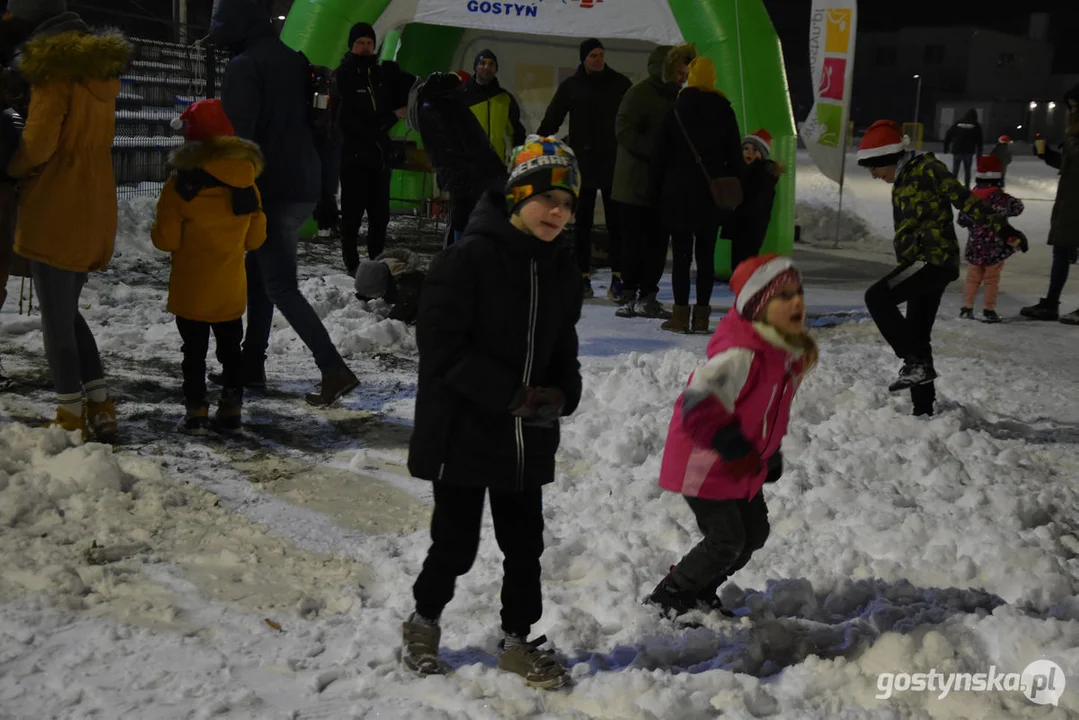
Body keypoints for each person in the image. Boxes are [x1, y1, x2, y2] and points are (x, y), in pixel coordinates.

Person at [402, 136, 583, 690]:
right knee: (456, 544)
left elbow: (561, 344)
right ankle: (423, 621)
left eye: (570, 204)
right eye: (549, 199)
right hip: (464, 432)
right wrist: (510, 394)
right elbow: (442, 348)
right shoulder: (468, 259)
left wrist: (563, 391)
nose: (560, 212)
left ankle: (516, 639)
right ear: (517, 196)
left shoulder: (559, 268)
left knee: (524, 544)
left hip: (525, 437)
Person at [647, 255, 817, 617]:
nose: (797, 301)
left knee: (754, 534)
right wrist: (732, 445)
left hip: (741, 462)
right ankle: (671, 595)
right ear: (758, 305)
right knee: (726, 540)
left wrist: (769, 452)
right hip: (706, 462)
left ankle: (700, 590)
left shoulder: (779, 352)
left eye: (798, 291)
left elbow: (767, 413)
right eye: (783, 295)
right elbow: (699, 404)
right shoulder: (741, 353)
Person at [210, 0, 358, 406]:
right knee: (258, 278)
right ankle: (250, 366)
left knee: (279, 285)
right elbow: (325, 131)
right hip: (303, 184)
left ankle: (333, 368)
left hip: (269, 189)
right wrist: (327, 191)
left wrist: (234, 190)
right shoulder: (298, 61)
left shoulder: (244, 67)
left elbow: (240, 140)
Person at [3, 1, 131, 439]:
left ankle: (69, 414)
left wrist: (12, 166)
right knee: (68, 312)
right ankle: (100, 405)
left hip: (57, 200)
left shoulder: (53, 70)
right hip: (94, 199)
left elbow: (38, 143)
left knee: (55, 320)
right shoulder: (99, 71)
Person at [856, 120, 1026, 417]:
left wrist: (1004, 230)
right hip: (922, 263)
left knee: (877, 297)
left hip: (931, 260)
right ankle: (923, 410)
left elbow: (965, 200)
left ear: (887, 157)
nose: (873, 175)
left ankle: (914, 362)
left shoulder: (926, 169)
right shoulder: (904, 177)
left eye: (874, 167)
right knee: (918, 334)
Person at [151, 99, 267, 435]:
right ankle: (232, 407)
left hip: (192, 288)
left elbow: (166, 240)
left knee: (194, 352)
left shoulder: (181, 187)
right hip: (230, 288)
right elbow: (256, 239)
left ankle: (196, 410)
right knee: (231, 351)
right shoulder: (247, 183)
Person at [653, 56, 742, 334]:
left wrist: (659, 191)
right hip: (710, 196)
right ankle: (702, 318)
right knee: (706, 257)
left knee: (681, 256)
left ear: (691, 77)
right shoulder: (725, 110)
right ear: (713, 78)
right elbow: (736, 159)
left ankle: (679, 318)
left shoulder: (676, 109)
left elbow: (659, 156)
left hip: (678, 195)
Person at [537, 38, 632, 299]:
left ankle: (618, 278)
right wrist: (537, 142)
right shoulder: (572, 86)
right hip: (584, 163)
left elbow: (635, 117)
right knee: (582, 224)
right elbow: (553, 117)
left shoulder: (620, 84)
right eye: (593, 55)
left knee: (617, 224)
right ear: (583, 59)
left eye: (601, 54)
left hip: (614, 164)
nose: (598, 59)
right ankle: (582, 277)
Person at [611, 43, 697, 318]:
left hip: (662, 185)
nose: (683, 75)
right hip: (634, 184)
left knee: (658, 243)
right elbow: (623, 129)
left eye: (686, 71)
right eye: (680, 70)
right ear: (666, 68)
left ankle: (648, 294)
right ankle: (628, 294)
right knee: (634, 242)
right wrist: (653, 149)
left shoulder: (679, 98)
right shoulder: (639, 94)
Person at [334, 22, 415, 274]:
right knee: (352, 213)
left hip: (378, 156)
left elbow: (400, 92)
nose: (365, 48)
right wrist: (388, 120)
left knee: (380, 214)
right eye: (360, 43)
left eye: (369, 43)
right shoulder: (343, 75)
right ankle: (351, 262)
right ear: (351, 45)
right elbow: (348, 120)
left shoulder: (379, 75)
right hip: (353, 155)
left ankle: (376, 260)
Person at [409, 71, 506, 247]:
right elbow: (459, 144)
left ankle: (459, 254)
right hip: (471, 173)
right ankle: (458, 255)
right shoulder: (444, 108)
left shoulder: (438, 106)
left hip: (467, 174)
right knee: (465, 219)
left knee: (464, 218)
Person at [1021, 85, 1079, 324]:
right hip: (1070, 201)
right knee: (1061, 251)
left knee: (1064, 250)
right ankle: (1051, 303)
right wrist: (1048, 156)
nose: (1072, 111)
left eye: (1076, 106)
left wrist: (1071, 139)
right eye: (1071, 106)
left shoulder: (1075, 134)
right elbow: (1070, 166)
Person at [958, 155, 1024, 324]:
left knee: (972, 277)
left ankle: (967, 306)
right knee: (991, 280)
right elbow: (1018, 208)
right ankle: (988, 309)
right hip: (995, 247)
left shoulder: (971, 198)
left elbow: (961, 219)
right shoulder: (1001, 198)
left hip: (975, 246)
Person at [725, 128, 784, 274]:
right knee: (738, 263)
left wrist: (738, 210)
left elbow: (758, 203)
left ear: (762, 154)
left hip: (751, 227)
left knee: (746, 262)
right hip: (741, 225)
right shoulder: (742, 171)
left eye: (755, 150)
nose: (749, 153)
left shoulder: (763, 176)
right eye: (746, 148)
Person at [457, 48, 526, 163]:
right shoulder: (461, 95)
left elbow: (517, 132)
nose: (486, 67)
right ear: (475, 67)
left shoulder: (505, 98)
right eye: (482, 63)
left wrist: (519, 158)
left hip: (496, 164)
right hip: (468, 166)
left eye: (491, 64)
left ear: (495, 69)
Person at [353, 248, 425, 325]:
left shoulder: (404, 284)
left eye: (371, 293)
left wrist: (389, 322)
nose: (369, 295)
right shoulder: (381, 272)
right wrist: (365, 295)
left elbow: (403, 307)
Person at [943, 109, 983, 189]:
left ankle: (953, 186)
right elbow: (979, 139)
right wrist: (979, 151)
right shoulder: (976, 125)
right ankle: (967, 186)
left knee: (955, 169)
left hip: (957, 149)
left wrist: (946, 147)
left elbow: (949, 134)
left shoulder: (958, 123)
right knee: (967, 170)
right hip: (969, 151)